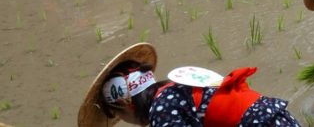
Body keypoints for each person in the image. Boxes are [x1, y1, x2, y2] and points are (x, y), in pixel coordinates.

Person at [79, 42, 302, 127]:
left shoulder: (161, 110)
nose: (126, 122)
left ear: (125, 102)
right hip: (279, 118)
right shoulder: (176, 89)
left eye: (119, 117)